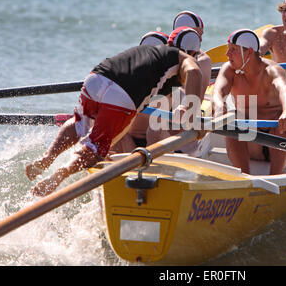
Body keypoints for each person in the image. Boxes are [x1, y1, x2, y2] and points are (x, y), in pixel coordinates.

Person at [25, 27, 203, 197]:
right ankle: (60, 175)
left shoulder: (150, 55)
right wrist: (193, 115)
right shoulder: (182, 58)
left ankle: (47, 158)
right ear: (192, 52)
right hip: (121, 97)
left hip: (97, 78)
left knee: (80, 123)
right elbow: (194, 71)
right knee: (96, 150)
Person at [114, 11, 212, 155]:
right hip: (137, 139)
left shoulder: (194, 65)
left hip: (166, 136)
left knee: (154, 128)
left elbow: (191, 107)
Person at [212, 29, 286, 175]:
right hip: (250, 141)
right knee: (233, 118)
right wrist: (219, 105)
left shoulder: (272, 70)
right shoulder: (229, 70)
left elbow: (285, 90)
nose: (227, 55)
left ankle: (276, 177)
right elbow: (218, 92)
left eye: (233, 50)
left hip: (279, 139)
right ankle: (244, 176)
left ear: (249, 52)